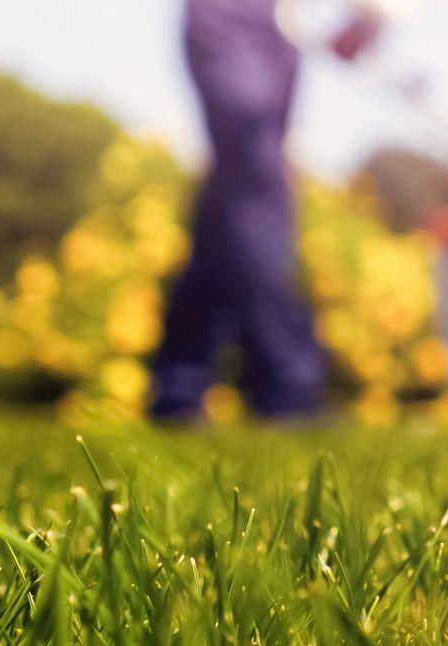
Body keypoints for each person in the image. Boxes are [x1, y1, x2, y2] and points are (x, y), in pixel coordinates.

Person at [152, 0, 390, 422]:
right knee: (258, 183)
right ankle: (288, 384)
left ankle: (178, 387)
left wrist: (368, 17)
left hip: (278, 24)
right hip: (224, 14)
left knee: (230, 200)